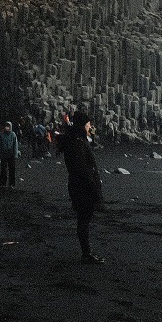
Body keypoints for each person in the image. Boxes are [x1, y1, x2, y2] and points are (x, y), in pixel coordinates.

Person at [59, 111, 104, 263]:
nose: (90, 126)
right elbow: (83, 168)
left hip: (78, 185)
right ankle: (86, 253)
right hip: (82, 187)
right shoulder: (77, 142)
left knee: (83, 219)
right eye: (88, 124)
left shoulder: (75, 140)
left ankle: (87, 252)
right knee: (84, 219)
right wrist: (94, 188)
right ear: (83, 125)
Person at [0, 119, 19, 189]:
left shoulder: (13, 134)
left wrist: (15, 154)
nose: (7, 127)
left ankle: (11, 184)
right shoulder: (1, 135)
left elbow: (15, 145)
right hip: (4, 153)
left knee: (12, 169)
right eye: (6, 126)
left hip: (11, 153)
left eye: (8, 126)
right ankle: (2, 183)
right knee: (3, 169)